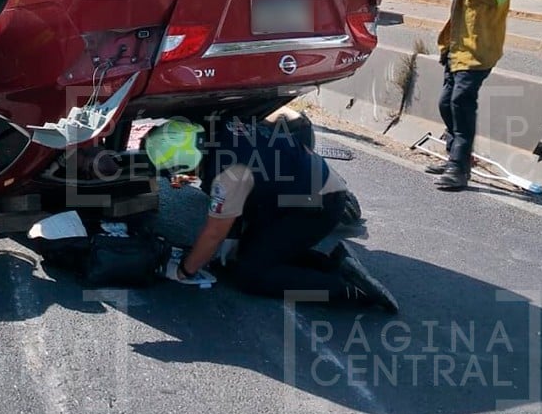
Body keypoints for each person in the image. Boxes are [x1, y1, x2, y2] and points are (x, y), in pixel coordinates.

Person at [148, 116, 399, 313]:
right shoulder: (223, 130)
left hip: (316, 205)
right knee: (249, 254)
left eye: (177, 172)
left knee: (251, 275)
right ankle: (335, 264)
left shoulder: (227, 176)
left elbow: (214, 233)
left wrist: (184, 271)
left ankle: (346, 290)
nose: (178, 179)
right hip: (308, 188)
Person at [429, 0, 511, 191]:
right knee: (445, 103)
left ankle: (459, 167)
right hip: (456, 45)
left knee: (461, 103)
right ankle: (456, 156)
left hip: (478, 48)